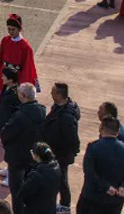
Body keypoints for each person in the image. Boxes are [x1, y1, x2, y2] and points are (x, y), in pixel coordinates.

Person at [0, 83, 47, 214]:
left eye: (19, 92)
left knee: (17, 190)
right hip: (33, 156)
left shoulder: (20, 116)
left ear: (24, 96)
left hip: (17, 156)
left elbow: (6, 133)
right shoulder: (42, 111)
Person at [43, 82, 81, 213]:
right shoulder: (60, 108)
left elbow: (72, 139)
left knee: (61, 180)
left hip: (60, 155)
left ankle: (65, 205)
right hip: (56, 152)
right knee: (60, 179)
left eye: (53, 92)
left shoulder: (66, 116)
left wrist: (68, 154)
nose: (51, 94)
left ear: (59, 95)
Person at [76, 117, 124, 214]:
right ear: (118, 131)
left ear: (101, 128)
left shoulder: (93, 147)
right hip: (114, 200)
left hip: (93, 198)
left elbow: (89, 172)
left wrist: (106, 187)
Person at [0, 14, 39, 104]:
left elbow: (28, 67)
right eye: (9, 29)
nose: (10, 32)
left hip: (17, 80)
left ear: (19, 29)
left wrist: (23, 86)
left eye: (13, 29)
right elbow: (1, 60)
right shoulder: (5, 40)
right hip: (5, 78)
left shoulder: (25, 47)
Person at [18, 143, 61, 214]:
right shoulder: (56, 167)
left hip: (35, 209)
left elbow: (22, 194)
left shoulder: (37, 175)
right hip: (50, 207)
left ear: (36, 156)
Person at [0, 67, 21, 135]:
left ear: (11, 79)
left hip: (7, 125)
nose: (2, 78)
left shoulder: (15, 94)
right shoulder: (6, 86)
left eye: (4, 76)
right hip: (2, 121)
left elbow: (15, 112)